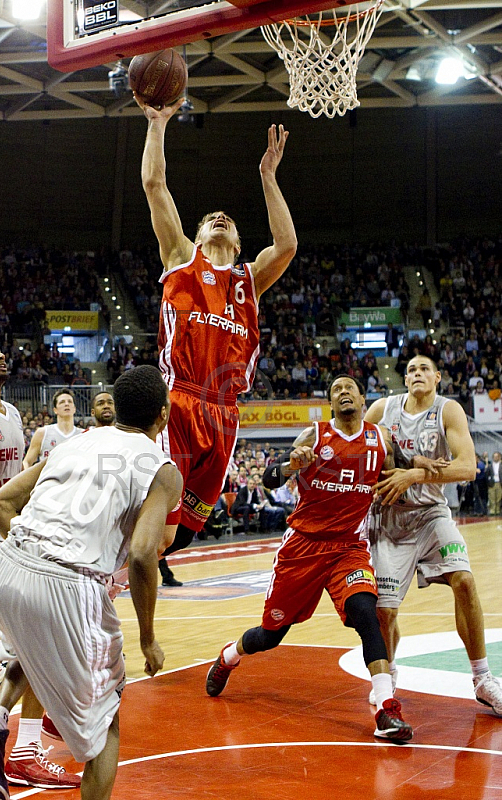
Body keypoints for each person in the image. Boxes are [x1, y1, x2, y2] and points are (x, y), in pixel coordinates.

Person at [0, 365, 183, 800]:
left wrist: (32, 556)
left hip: (3, 569)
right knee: (106, 727)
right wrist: (148, 639)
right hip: (69, 585)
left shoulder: (75, 443)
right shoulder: (163, 469)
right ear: (162, 415)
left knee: (35, 644)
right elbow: (145, 553)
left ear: (116, 407)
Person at [205, 375, 413, 742]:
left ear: (364, 399)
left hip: (348, 548)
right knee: (270, 636)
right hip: (302, 548)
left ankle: (386, 710)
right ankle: (229, 656)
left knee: (368, 613)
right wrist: (289, 467)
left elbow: (399, 476)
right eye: (336, 390)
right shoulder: (313, 437)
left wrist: (411, 478)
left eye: (350, 387)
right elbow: (270, 478)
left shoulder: (381, 440)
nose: (344, 392)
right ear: (331, 403)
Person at [136, 95, 297, 558]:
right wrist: (158, 122)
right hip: (180, 401)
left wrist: (268, 176)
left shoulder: (250, 280)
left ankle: (118, 577)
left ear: (239, 242)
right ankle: (104, 581)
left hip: (225, 411)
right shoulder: (181, 258)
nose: (219, 219)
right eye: (210, 220)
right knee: (160, 522)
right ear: (200, 235)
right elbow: (153, 183)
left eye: (226, 221)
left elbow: (286, 243)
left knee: (185, 532)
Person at [0, 339, 81, 790]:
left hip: (8, 532)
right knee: (42, 633)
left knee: (39, 638)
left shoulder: (13, 415)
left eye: (0, 351)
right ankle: (23, 745)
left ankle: (0, 732)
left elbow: (16, 481)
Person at [365, 355, 502, 715]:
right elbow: (354, 446)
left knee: (466, 581)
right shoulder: (384, 408)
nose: (417, 374)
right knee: (385, 611)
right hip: (389, 518)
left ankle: (483, 679)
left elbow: (468, 467)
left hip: (431, 515)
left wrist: (414, 475)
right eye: (410, 370)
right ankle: (388, 674)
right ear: (404, 379)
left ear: (438, 377)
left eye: (424, 369)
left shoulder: (448, 410)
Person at [90, 390, 182, 587]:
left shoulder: (142, 450)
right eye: (101, 403)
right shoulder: (81, 441)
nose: (106, 406)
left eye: (110, 402)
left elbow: (164, 541)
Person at [22, 389, 83, 468]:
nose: (67, 404)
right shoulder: (43, 433)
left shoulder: (83, 434)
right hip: (49, 479)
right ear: (55, 410)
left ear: (74, 409)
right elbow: (27, 462)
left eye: (70, 401)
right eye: (62, 402)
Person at [486, 451, 502, 516]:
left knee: (498, 497)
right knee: (491, 498)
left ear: (499, 457)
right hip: (492, 483)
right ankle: (492, 510)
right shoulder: (489, 466)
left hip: (499, 483)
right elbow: (486, 475)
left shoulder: (501, 465)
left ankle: (497, 510)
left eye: (497, 456)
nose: (495, 458)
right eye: (494, 456)